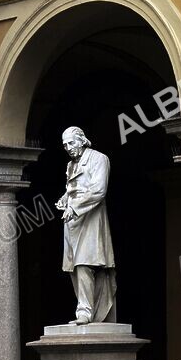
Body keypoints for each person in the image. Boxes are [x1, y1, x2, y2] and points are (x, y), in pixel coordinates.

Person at [55, 126, 117, 323]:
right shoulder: (71, 165)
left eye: (71, 142)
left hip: (90, 216)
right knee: (73, 266)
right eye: (65, 145)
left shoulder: (99, 159)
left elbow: (99, 190)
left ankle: (85, 311)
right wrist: (65, 198)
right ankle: (84, 308)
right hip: (72, 219)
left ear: (82, 139)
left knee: (84, 262)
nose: (68, 147)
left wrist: (75, 207)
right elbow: (73, 188)